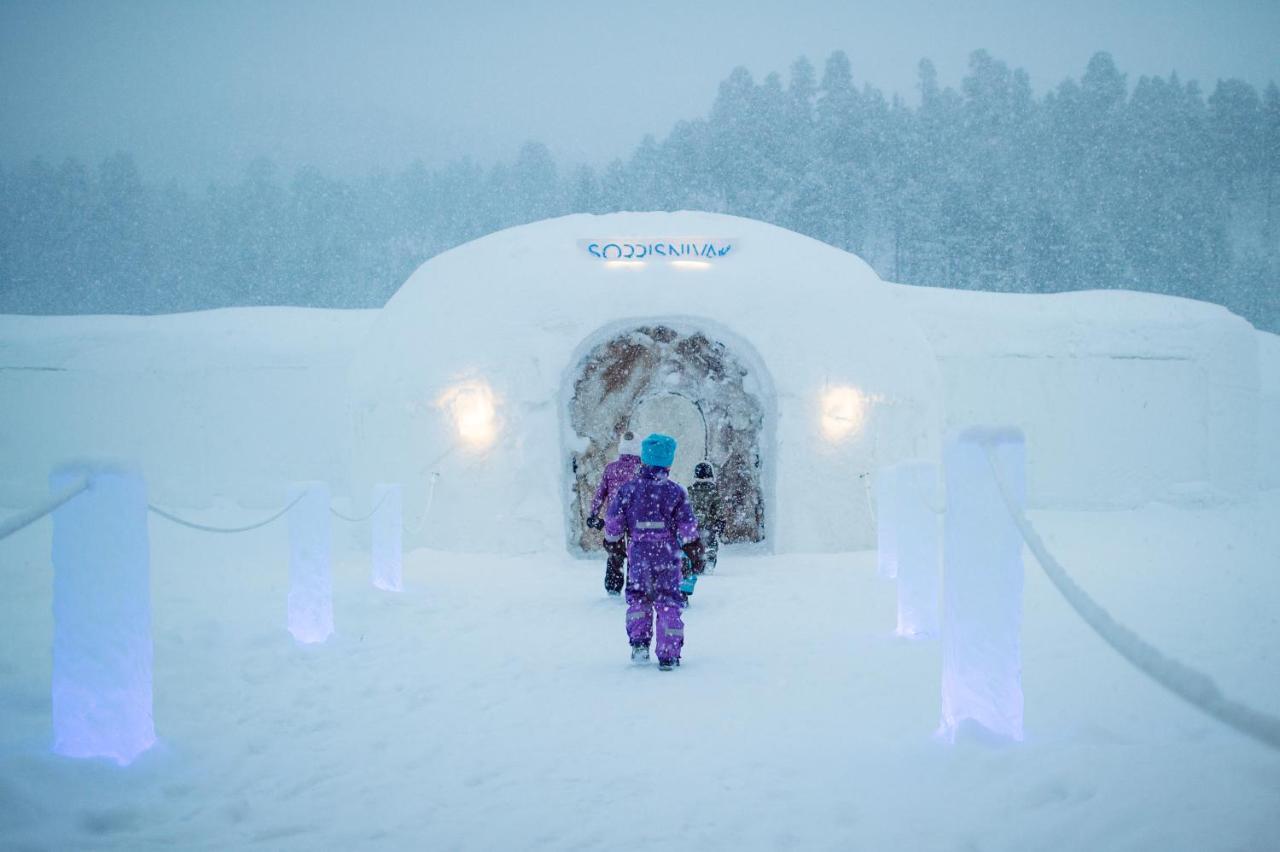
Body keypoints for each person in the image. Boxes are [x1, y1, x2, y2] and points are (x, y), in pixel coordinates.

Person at [604, 433, 705, 670]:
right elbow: (688, 525)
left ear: (644, 459)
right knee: (668, 600)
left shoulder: (628, 490)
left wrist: (614, 539)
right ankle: (669, 653)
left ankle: (639, 643)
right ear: (668, 463)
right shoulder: (676, 492)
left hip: (639, 553)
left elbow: (614, 520)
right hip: (667, 554)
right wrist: (692, 545)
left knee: (638, 597)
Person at [587, 431, 642, 595]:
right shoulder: (643, 469)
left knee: (614, 552)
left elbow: (600, 493)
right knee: (636, 553)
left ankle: (613, 585)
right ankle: (634, 586)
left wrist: (593, 513)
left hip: (614, 516)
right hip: (636, 518)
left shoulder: (610, 469)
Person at [688, 462, 724, 574]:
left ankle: (695, 564)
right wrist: (720, 522)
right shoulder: (713, 491)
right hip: (709, 525)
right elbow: (718, 510)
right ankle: (709, 561)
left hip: (692, 526)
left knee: (693, 546)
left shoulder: (690, 490)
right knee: (711, 544)